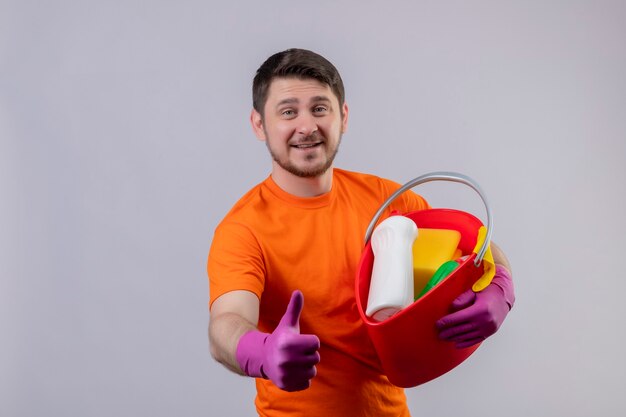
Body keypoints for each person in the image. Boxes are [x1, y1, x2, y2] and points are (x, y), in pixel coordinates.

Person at [207, 48, 515, 417]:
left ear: (343, 116)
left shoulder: (388, 201)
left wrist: (501, 288)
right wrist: (260, 352)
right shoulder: (244, 228)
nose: (307, 126)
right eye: (288, 111)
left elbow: (477, 244)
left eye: (320, 108)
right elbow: (226, 323)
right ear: (259, 125)